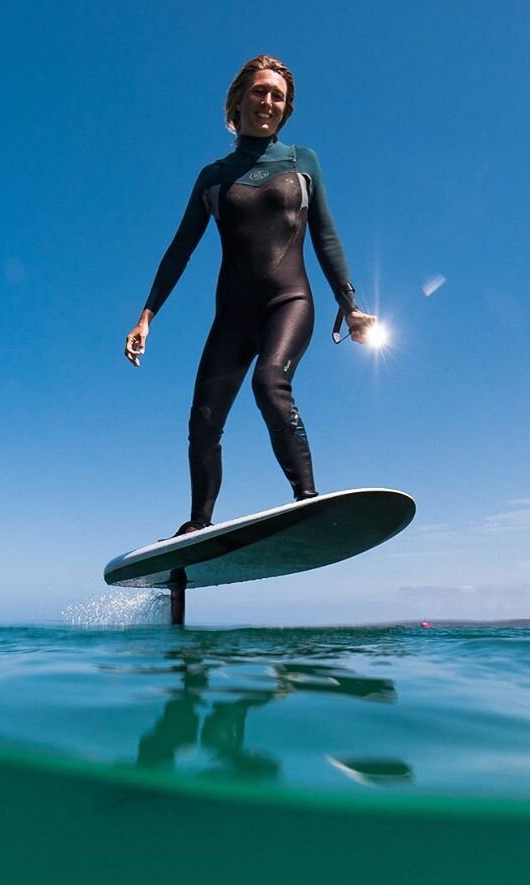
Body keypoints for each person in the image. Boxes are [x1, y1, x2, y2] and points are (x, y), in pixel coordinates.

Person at [124, 54, 377, 536]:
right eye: (260, 91)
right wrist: (147, 316)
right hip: (233, 314)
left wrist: (351, 305)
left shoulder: (303, 162)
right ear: (239, 99)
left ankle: (306, 498)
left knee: (270, 385)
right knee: (203, 420)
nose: (268, 101)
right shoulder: (213, 176)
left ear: (286, 109)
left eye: (278, 96)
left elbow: (326, 236)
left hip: (290, 301)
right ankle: (199, 523)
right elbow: (181, 248)